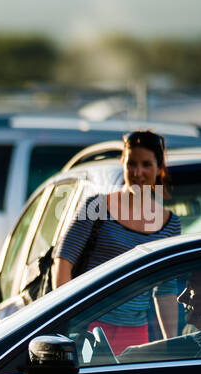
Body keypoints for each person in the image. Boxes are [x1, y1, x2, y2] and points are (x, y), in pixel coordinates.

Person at [53, 130, 181, 354]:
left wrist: (173, 344)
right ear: (122, 163)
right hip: (89, 327)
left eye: (146, 165)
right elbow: (63, 264)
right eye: (131, 163)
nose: (137, 172)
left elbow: (166, 290)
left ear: (159, 168)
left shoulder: (169, 223)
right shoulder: (97, 206)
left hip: (136, 333)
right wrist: (66, 323)